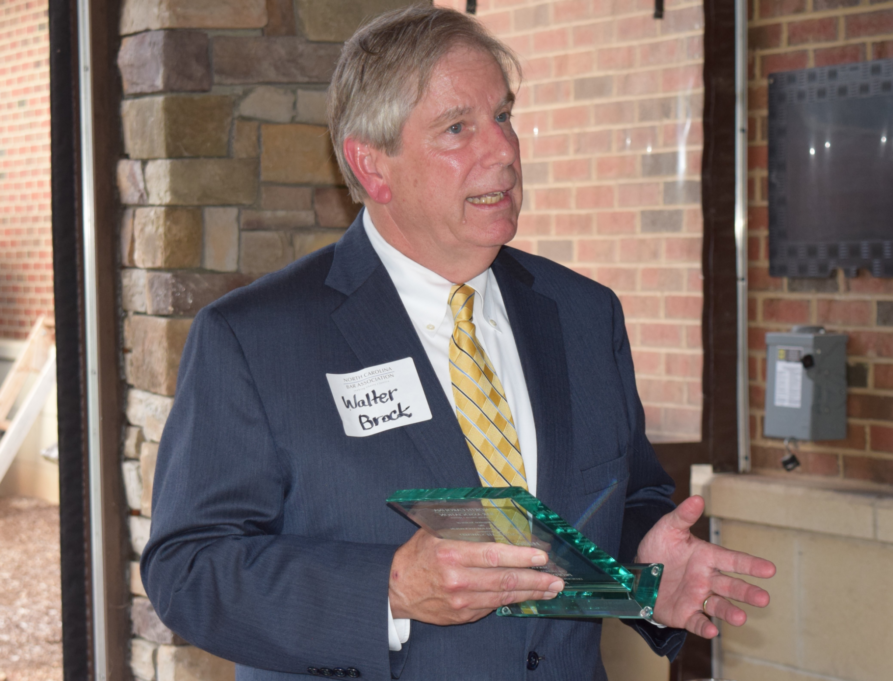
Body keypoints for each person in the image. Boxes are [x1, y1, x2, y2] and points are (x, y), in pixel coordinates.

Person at [142, 6, 775, 680]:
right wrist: (386, 587)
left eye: (502, 116)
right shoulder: (254, 339)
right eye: (456, 128)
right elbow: (188, 572)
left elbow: (625, 496)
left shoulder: (583, 314)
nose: (502, 150)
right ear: (371, 164)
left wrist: (646, 561)